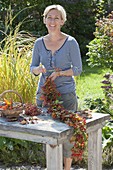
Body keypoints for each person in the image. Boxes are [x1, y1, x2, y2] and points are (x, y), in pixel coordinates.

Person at [30, 4, 82, 170]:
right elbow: (32, 67)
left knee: (68, 135)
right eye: (49, 17)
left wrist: (60, 74)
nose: (52, 21)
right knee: (46, 133)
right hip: (44, 95)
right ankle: (52, 166)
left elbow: (78, 69)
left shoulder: (70, 42)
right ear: (45, 20)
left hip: (66, 96)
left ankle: (66, 168)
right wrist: (38, 70)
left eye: (56, 18)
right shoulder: (39, 43)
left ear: (62, 21)